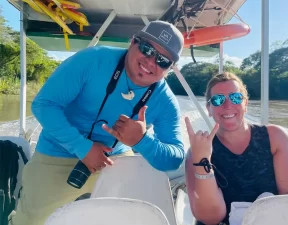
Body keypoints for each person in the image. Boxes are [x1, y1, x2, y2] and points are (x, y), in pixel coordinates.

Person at [9, 20, 185, 225]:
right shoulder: (91, 60)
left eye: (162, 60)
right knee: (31, 220)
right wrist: (82, 147)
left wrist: (142, 140)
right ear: (132, 42)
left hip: (114, 159)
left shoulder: (165, 101)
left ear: (170, 68)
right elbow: (44, 104)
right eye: (146, 49)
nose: (150, 61)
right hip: (57, 151)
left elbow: (175, 159)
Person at [184, 72, 288, 225]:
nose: (228, 105)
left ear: (245, 104)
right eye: (218, 100)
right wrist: (202, 161)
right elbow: (211, 217)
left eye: (236, 98)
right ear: (209, 108)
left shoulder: (275, 137)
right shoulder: (197, 152)